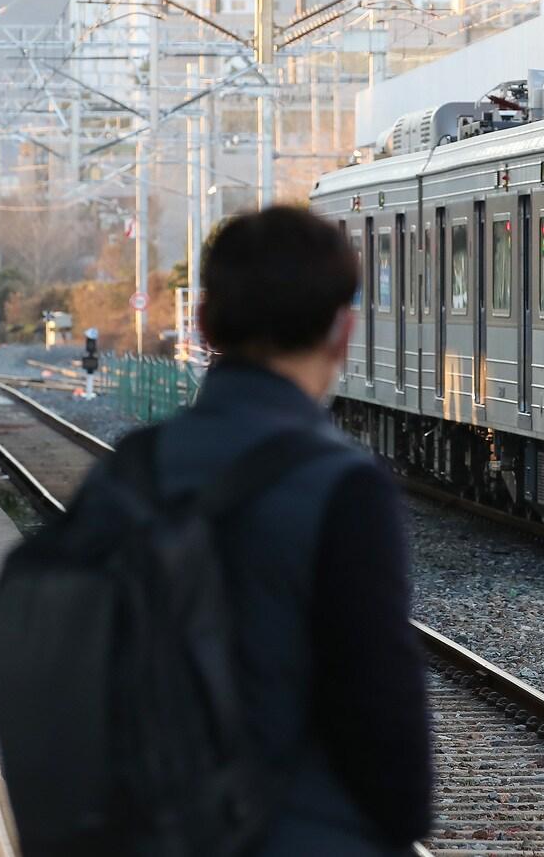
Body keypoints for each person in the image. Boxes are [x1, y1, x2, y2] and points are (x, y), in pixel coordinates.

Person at [159, 206, 433, 853]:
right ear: (343, 332)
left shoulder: (131, 471)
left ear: (204, 325)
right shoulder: (344, 487)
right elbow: (385, 724)